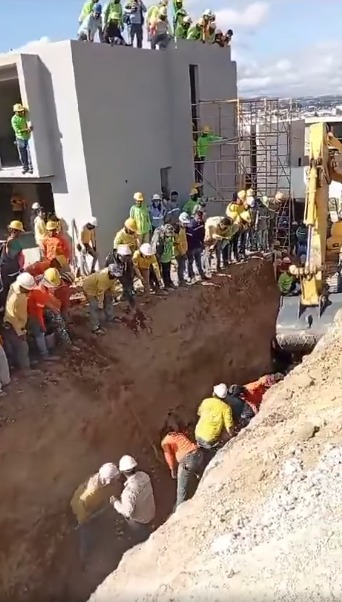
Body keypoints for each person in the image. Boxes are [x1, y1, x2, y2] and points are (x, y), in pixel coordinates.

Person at [70, 462, 121, 562]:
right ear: (107, 480)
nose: (116, 480)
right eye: (114, 478)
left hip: (92, 507)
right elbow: (80, 504)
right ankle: (85, 557)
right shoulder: (92, 492)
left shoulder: (100, 480)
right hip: (81, 510)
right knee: (86, 534)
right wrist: (83, 519)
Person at [110, 455, 155, 544]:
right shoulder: (145, 476)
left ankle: (141, 540)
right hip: (151, 512)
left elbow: (127, 512)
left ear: (123, 472)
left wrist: (115, 503)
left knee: (129, 520)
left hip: (141, 522)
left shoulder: (128, 492)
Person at [161, 419, 203, 508]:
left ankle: (179, 509)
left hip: (188, 459)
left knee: (181, 488)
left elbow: (169, 458)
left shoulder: (165, 441)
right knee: (196, 472)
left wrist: (173, 470)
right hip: (198, 454)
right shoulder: (178, 434)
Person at [3, 272, 36, 374]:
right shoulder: (15, 298)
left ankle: (17, 365)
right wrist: (20, 332)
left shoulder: (15, 287)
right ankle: (25, 369)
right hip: (13, 326)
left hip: (14, 324)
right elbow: (11, 317)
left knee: (14, 347)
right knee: (22, 346)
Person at [27, 267, 63, 361]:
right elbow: (38, 312)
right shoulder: (40, 292)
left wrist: (53, 307)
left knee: (39, 332)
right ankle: (45, 355)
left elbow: (45, 300)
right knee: (40, 334)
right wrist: (42, 325)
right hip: (32, 315)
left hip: (34, 311)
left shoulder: (41, 284)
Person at [195, 383, 234, 465]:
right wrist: (233, 436)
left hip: (197, 434)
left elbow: (199, 413)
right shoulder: (226, 408)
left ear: (214, 393)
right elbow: (229, 426)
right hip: (210, 439)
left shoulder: (206, 401)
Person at [82, 264, 121, 333]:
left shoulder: (113, 276)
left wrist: (114, 294)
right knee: (95, 306)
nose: (115, 276)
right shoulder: (103, 277)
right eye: (114, 275)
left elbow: (111, 284)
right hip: (90, 288)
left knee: (109, 299)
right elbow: (100, 292)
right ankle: (95, 327)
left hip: (101, 287)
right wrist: (100, 304)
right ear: (110, 272)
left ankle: (110, 317)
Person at [0, 220, 25, 304]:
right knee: (12, 291)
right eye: (19, 231)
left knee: (6, 290)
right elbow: (11, 256)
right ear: (15, 231)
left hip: (7, 271)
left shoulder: (9, 240)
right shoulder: (14, 243)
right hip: (11, 272)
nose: (20, 234)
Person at [11, 103, 33, 174]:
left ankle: (30, 167)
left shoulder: (24, 116)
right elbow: (17, 130)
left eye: (21, 111)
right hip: (20, 138)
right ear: (15, 112)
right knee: (22, 154)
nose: (21, 112)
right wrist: (26, 129)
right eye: (19, 111)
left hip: (27, 137)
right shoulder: (14, 119)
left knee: (29, 153)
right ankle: (25, 167)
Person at [186, 210, 207, 282]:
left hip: (198, 246)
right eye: (198, 217)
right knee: (190, 262)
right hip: (191, 247)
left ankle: (202, 275)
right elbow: (188, 237)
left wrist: (202, 243)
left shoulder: (201, 223)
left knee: (199, 261)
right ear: (195, 216)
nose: (200, 219)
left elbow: (202, 234)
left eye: (201, 217)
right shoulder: (190, 225)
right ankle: (191, 276)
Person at [151, 223, 174, 288]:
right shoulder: (158, 236)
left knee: (167, 269)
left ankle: (169, 282)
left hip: (166, 254)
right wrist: (159, 258)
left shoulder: (168, 232)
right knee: (160, 270)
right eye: (167, 236)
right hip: (157, 254)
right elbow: (155, 249)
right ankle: (161, 285)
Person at [174, 212, 190, 286]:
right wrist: (183, 253)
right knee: (180, 266)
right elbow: (178, 243)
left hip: (183, 250)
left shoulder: (183, 228)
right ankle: (180, 281)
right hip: (178, 252)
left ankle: (181, 279)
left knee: (182, 266)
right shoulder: (177, 230)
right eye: (184, 223)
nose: (186, 224)